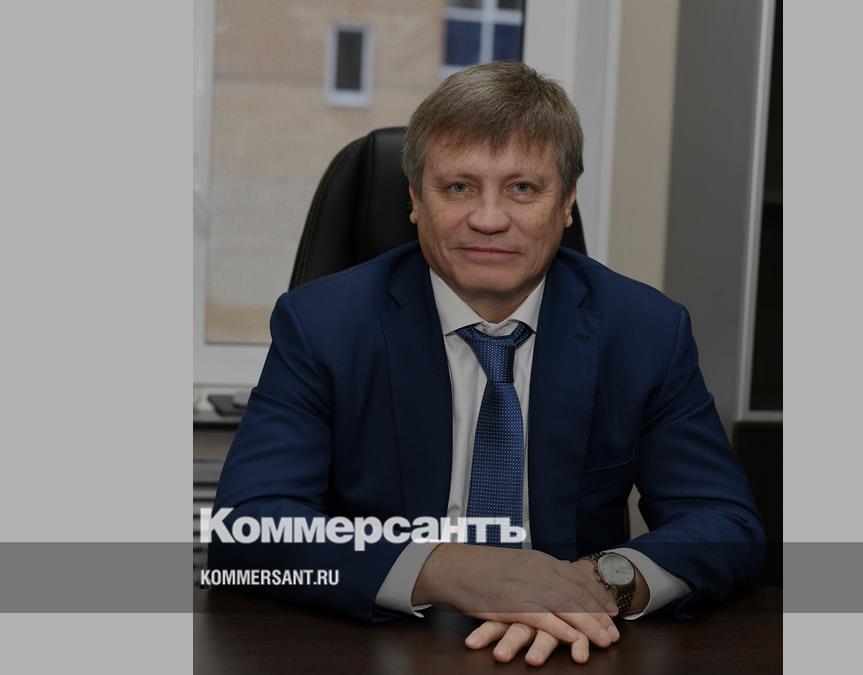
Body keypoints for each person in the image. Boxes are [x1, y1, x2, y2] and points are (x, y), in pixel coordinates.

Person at [208, 61, 764, 666]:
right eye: (458, 187)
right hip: (378, 646)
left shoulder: (645, 330)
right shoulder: (323, 326)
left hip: (571, 643)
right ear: (415, 199)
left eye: (523, 188)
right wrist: (447, 569)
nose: (490, 219)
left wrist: (599, 584)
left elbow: (724, 523)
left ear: (567, 202)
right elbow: (250, 532)